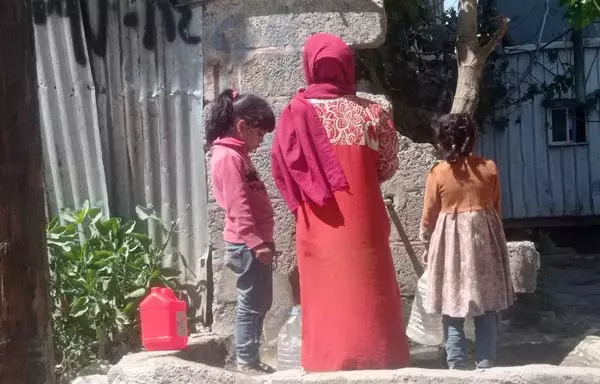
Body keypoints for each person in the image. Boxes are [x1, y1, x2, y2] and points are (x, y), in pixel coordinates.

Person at [271, 33, 410, 372]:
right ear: (347, 66)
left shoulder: (295, 113)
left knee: (325, 289)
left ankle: (328, 361)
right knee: (369, 285)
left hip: (318, 222)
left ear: (310, 65)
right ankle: (378, 355)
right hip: (363, 217)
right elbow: (389, 166)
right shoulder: (373, 114)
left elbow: (282, 169)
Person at [420, 113, 514, 370]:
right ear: (471, 138)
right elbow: (496, 208)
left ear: (442, 141)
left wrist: (426, 246)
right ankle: (485, 363)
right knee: (487, 305)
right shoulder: (489, 168)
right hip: (485, 243)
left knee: (451, 307)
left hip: (450, 246)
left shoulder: (437, 173)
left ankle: (457, 365)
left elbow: (429, 216)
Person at [207, 89, 277, 374]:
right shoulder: (227, 158)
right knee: (250, 305)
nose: (261, 143)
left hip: (255, 243)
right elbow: (238, 206)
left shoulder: (238, 155)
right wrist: (255, 242)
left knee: (261, 302)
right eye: (259, 135)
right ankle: (246, 361)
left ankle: (251, 358)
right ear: (242, 126)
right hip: (247, 245)